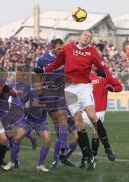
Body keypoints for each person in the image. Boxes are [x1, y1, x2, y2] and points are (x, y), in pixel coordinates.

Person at [34, 30, 114, 170]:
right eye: (85, 35)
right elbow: (56, 64)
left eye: (89, 36)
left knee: (92, 116)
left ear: (90, 40)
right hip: (70, 89)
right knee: (78, 124)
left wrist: (103, 72)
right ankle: (88, 155)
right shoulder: (69, 48)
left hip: (84, 87)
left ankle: (107, 148)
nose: (87, 37)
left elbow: (100, 67)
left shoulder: (92, 52)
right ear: (80, 36)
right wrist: (43, 70)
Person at [37, 39, 77, 168]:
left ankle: (62, 153)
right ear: (52, 48)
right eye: (59, 49)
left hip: (62, 93)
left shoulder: (66, 58)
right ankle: (58, 156)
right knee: (60, 122)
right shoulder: (43, 60)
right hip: (49, 95)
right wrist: (40, 94)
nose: (62, 51)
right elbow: (39, 78)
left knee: (72, 132)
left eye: (63, 48)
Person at [82, 67, 122, 158]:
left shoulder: (105, 74)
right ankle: (83, 155)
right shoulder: (84, 74)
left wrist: (112, 88)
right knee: (79, 130)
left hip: (99, 111)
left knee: (96, 133)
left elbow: (119, 87)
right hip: (86, 109)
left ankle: (95, 155)